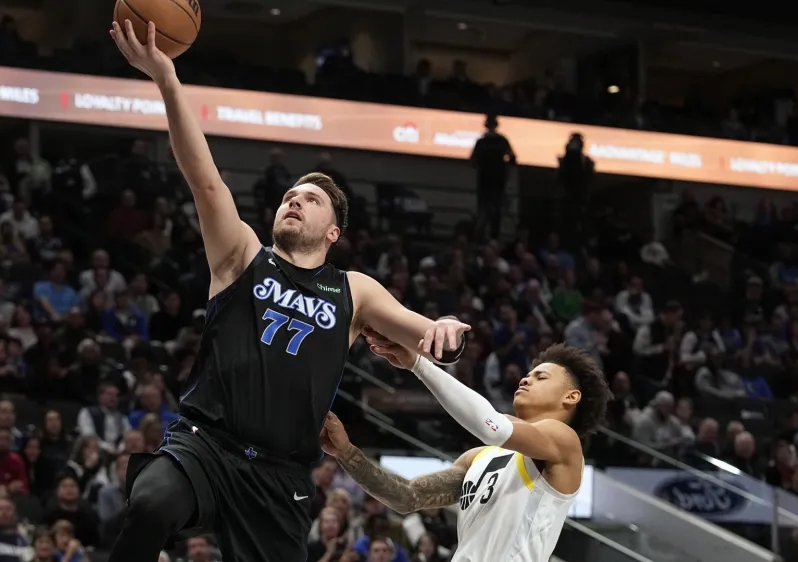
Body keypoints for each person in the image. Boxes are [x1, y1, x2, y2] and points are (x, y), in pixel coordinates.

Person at [108, 20, 471, 562]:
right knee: (151, 503)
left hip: (281, 474)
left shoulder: (354, 291)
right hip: (206, 445)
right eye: (288, 196)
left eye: (310, 199)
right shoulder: (241, 257)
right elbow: (203, 176)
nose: (293, 201)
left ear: (333, 232)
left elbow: (427, 333)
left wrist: (445, 330)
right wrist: (167, 80)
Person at [322, 334, 610, 562]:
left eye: (540, 377)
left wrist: (418, 364)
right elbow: (407, 497)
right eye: (528, 374)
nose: (525, 378)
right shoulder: (478, 457)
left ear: (571, 397)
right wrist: (347, 454)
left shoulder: (564, 442)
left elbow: (491, 426)